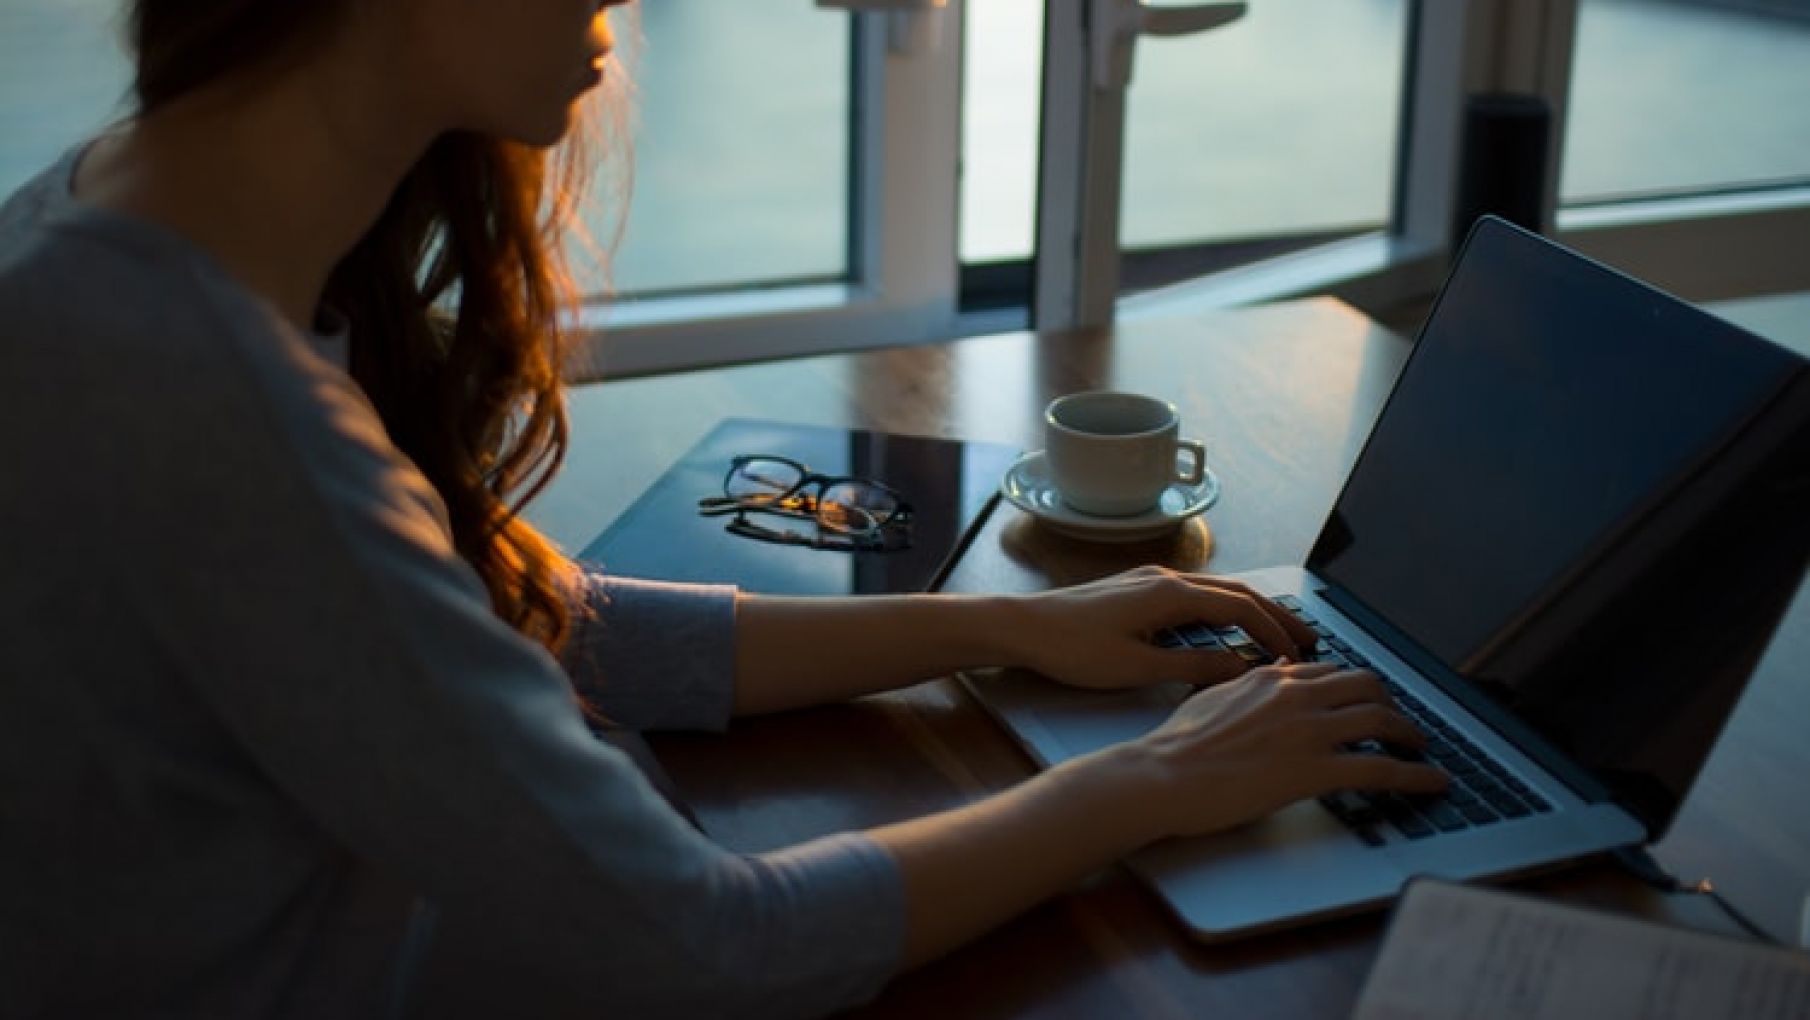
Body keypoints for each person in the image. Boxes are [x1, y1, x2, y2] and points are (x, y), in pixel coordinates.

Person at [0, 1, 1445, 1015]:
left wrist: (1011, 625)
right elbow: (706, 947)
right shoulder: (221, 409)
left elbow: (507, 628)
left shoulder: (100, 227)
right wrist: (1147, 784)